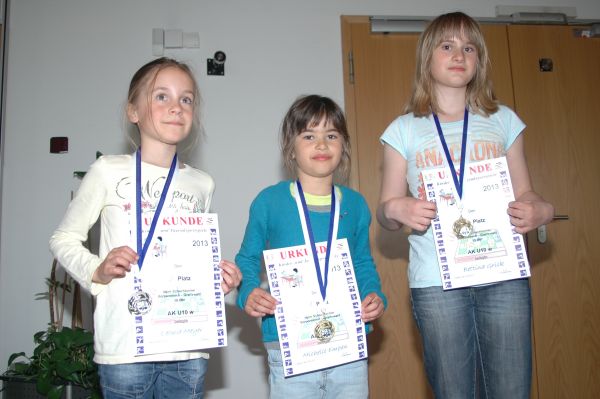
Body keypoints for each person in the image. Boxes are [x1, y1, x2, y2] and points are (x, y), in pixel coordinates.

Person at [376, 12, 554, 398]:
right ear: (428, 58)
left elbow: (526, 193)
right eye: (447, 46)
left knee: (511, 390)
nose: (459, 54)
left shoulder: (503, 120)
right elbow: (385, 211)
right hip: (436, 282)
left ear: (479, 61)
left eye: (468, 47)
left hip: (503, 275)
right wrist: (397, 209)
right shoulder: (403, 129)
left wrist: (541, 210)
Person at [49, 57, 242, 399]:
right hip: (125, 346)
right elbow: (63, 238)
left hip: (187, 348)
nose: (176, 108)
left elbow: (190, 258)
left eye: (186, 99)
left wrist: (217, 281)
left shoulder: (202, 183)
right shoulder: (107, 171)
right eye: (161, 96)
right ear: (133, 111)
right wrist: (97, 269)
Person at [235, 95, 386, 398]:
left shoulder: (355, 205)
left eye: (331, 135)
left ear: (343, 146)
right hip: (289, 341)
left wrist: (374, 294)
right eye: (309, 135)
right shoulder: (269, 202)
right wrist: (248, 291)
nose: (321, 144)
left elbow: (362, 263)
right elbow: (247, 259)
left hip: (347, 342)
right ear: (290, 148)